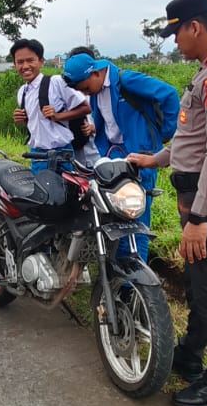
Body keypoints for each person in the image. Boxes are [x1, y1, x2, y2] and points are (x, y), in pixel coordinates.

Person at [129, 0, 207, 406]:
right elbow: (191, 140)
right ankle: (190, 356)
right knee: (199, 284)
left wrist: (199, 217)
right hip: (198, 199)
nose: (175, 42)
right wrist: (155, 158)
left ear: (195, 27)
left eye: (176, 33)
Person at [62, 50, 180, 259]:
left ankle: (134, 273)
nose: (87, 93)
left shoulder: (128, 81)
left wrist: (165, 134)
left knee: (136, 219)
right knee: (116, 216)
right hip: (114, 157)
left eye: (86, 88)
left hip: (139, 158)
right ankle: (118, 269)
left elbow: (169, 95)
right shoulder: (98, 91)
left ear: (96, 73)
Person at [11, 39, 90, 173]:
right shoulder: (22, 92)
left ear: (41, 61)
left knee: (65, 186)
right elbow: (37, 124)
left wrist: (58, 116)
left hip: (61, 152)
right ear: (15, 64)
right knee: (40, 185)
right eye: (20, 62)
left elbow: (85, 107)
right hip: (37, 154)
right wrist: (22, 120)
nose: (25, 66)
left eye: (30, 60)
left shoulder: (56, 82)